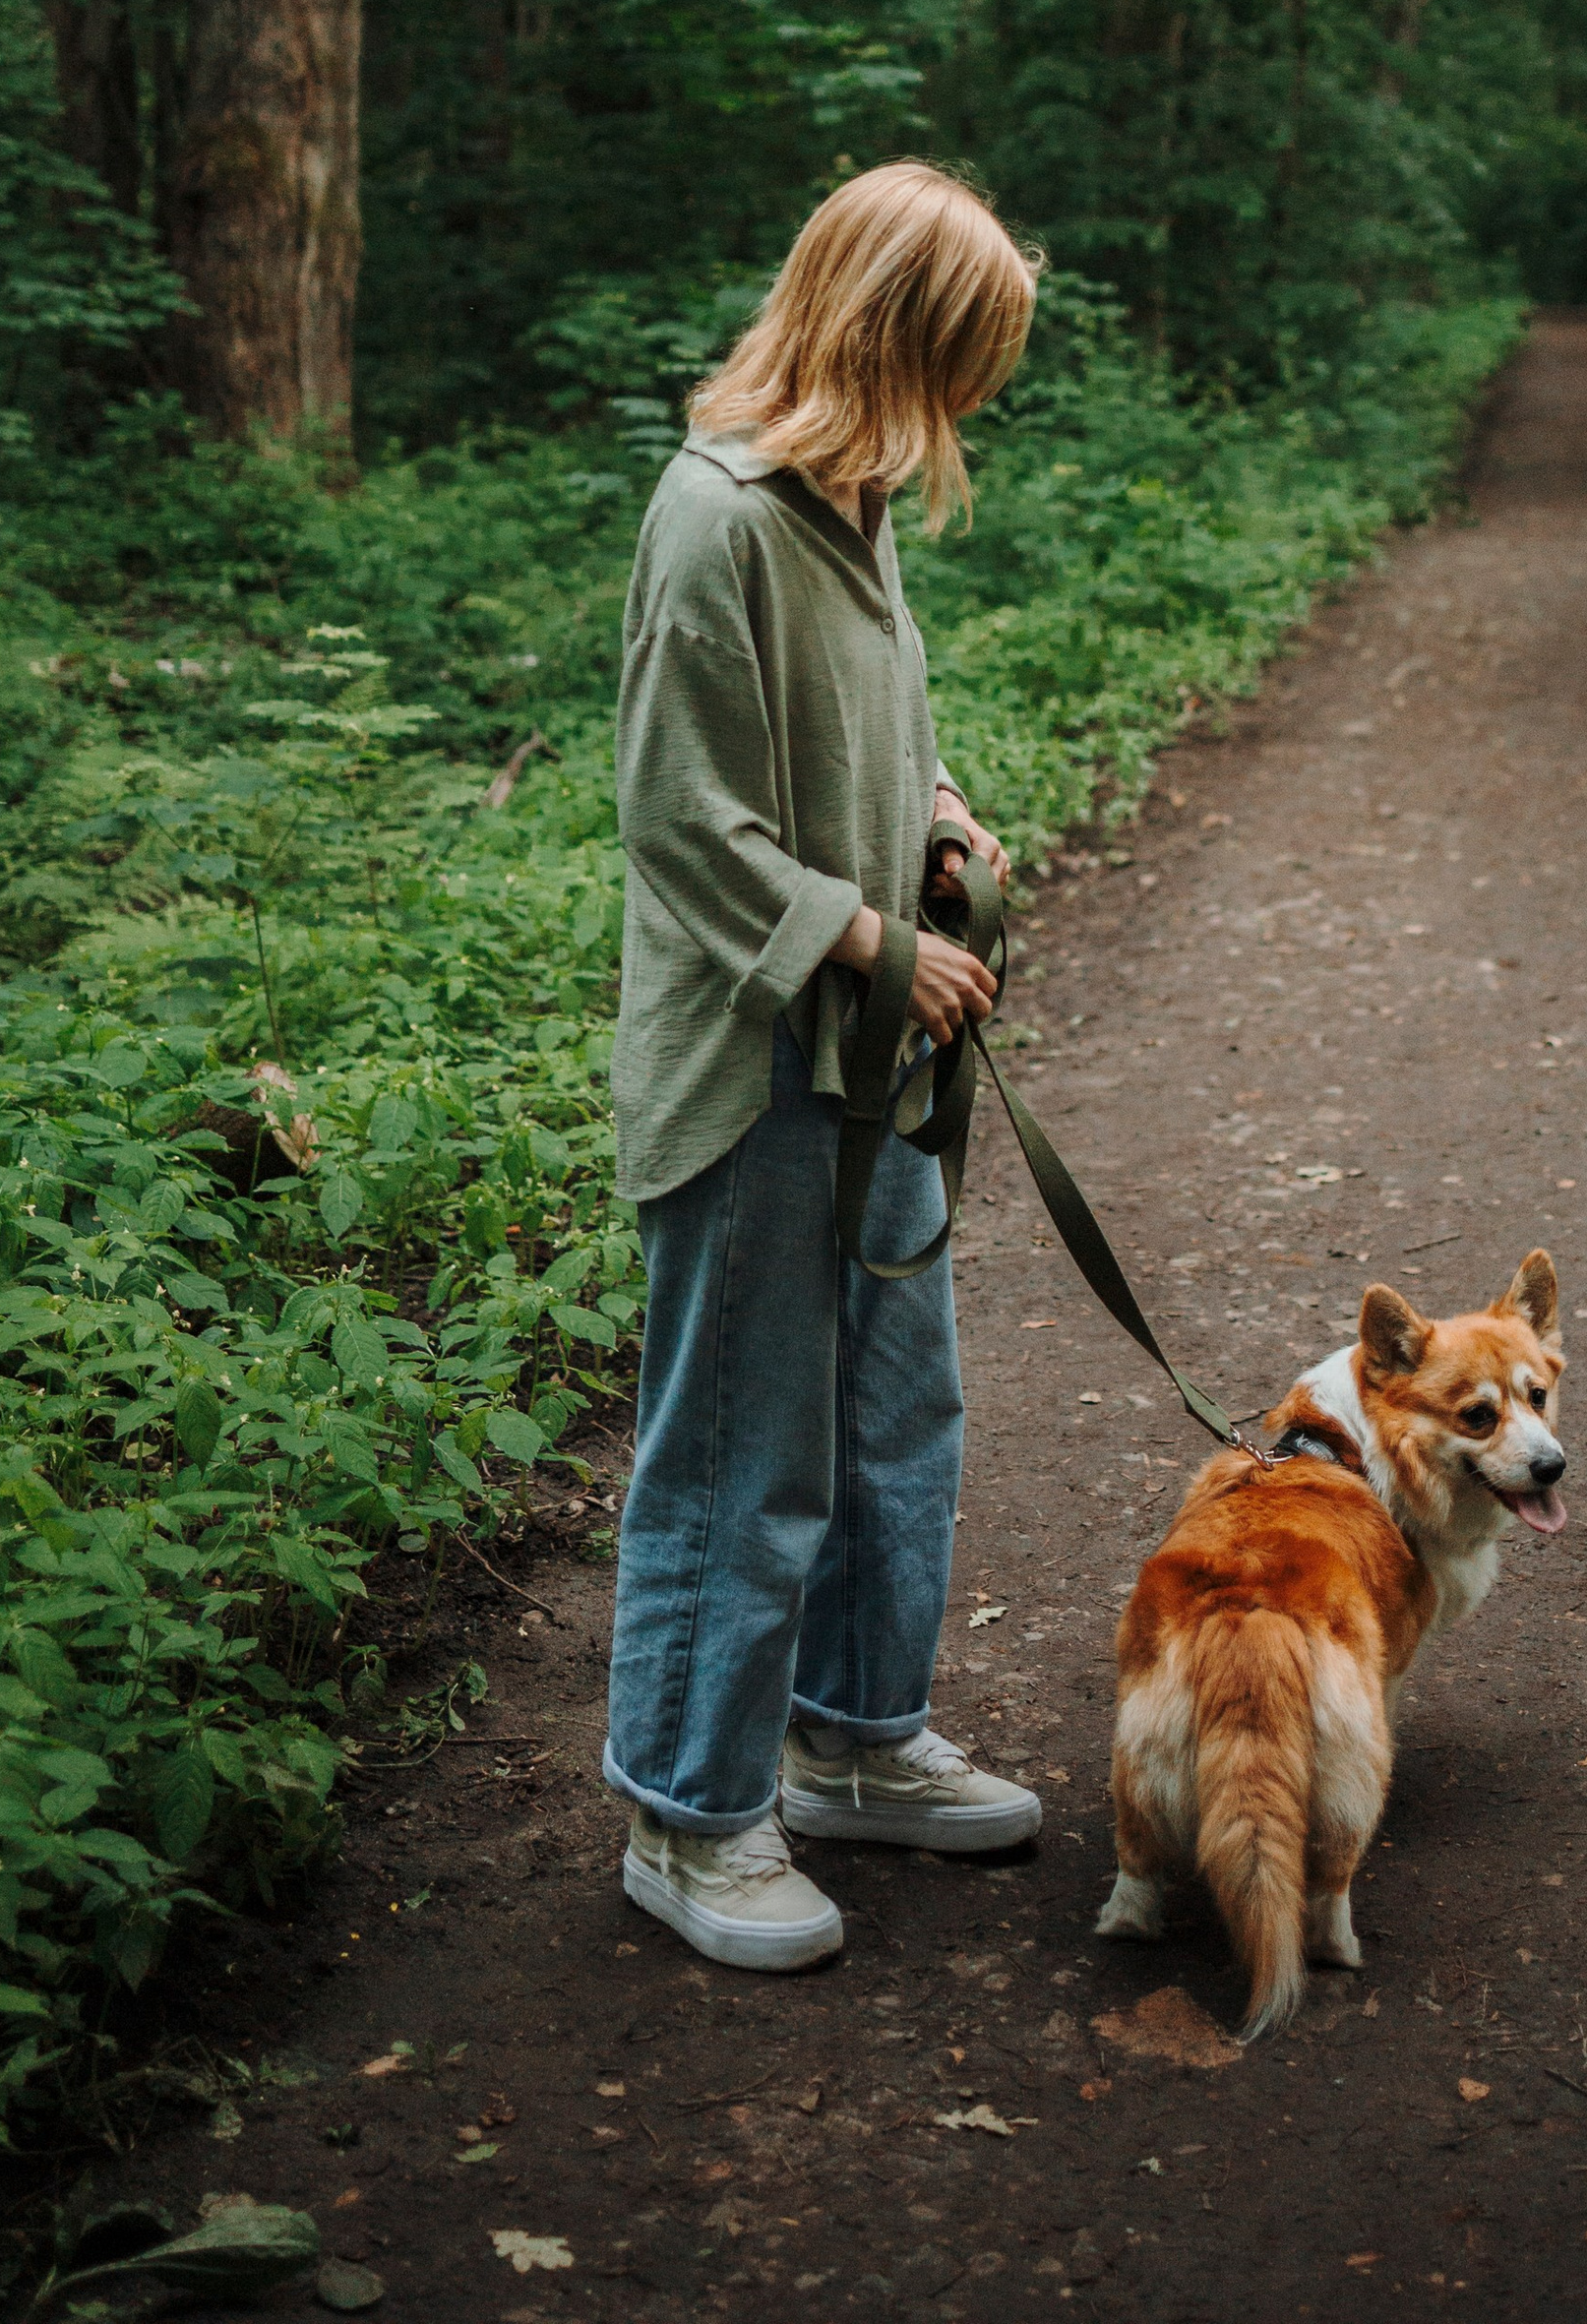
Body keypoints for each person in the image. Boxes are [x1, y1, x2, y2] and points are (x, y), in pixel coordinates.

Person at [602, 161, 1046, 1971]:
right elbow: (680, 822)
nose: (959, 415)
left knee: (895, 1416)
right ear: (886, 337)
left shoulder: (847, 506)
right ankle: (691, 1815)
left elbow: (865, 738)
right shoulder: (716, 517)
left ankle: (856, 1739)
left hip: (869, 1070)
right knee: (744, 1453)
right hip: (754, 1065)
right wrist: (872, 941)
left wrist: (935, 822)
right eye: (953, 367)